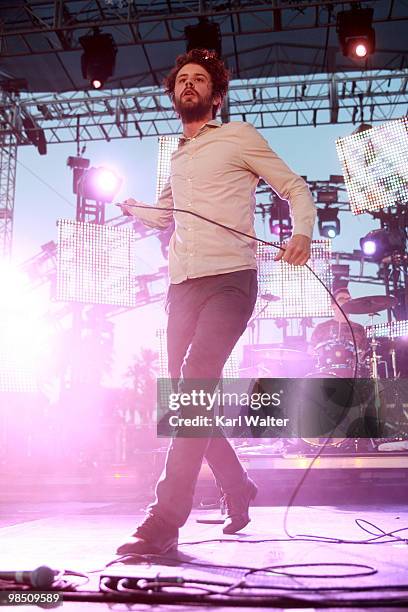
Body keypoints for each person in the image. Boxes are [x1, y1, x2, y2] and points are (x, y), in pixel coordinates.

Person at [116, 49, 316, 556]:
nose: (188, 85)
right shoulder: (177, 157)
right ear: (174, 93)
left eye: (198, 79)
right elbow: (165, 217)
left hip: (231, 281)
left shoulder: (239, 137)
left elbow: (294, 186)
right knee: (187, 402)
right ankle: (237, 486)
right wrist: (134, 208)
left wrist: (303, 234)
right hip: (182, 287)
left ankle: (165, 519)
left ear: (215, 94)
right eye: (181, 79)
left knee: (192, 386)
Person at [310, 286, 369, 372]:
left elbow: (363, 355)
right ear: (333, 306)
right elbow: (311, 351)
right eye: (342, 299)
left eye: (349, 299)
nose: (347, 301)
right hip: (326, 373)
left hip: (352, 374)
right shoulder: (321, 327)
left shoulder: (359, 328)